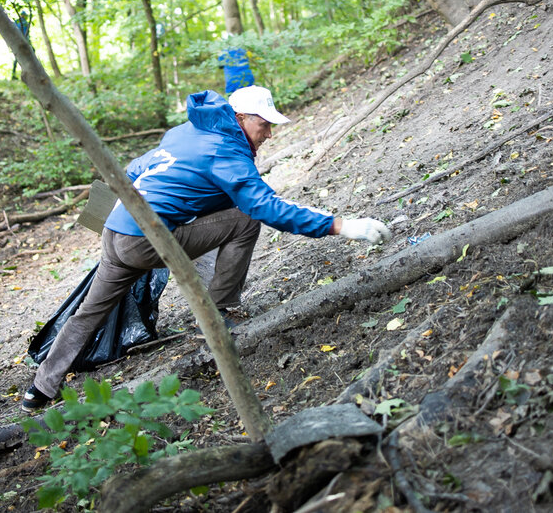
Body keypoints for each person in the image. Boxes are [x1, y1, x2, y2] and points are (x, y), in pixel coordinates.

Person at [22, 85, 391, 412]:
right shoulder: (226, 152)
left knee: (89, 313)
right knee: (245, 219)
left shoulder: (188, 131)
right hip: (147, 239)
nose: (268, 134)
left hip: (116, 230)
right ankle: (217, 311)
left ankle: (40, 389)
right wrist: (340, 225)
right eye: (264, 125)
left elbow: (134, 168)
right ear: (241, 118)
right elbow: (264, 207)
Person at [12, 11, 31, 80]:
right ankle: (14, 74)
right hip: (21, 42)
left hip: (22, 41)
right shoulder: (18, 22)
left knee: (19, 58)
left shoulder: (23, 23)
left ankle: (27, 74)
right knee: (19, 58)